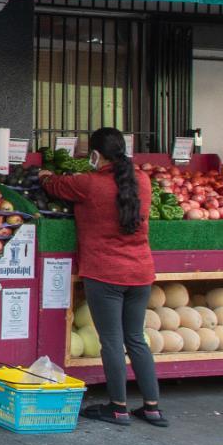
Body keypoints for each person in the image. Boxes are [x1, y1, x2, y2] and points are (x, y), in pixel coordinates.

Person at [41, 127, 167, 427]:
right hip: (140, 272)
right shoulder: (144, 181)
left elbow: (55, 186)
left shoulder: (88, 184)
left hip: (104, 272)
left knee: (110, 341)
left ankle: (118, 407)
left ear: (95, 155)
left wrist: (45, 176)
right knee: (136, 339)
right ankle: (152, 408)